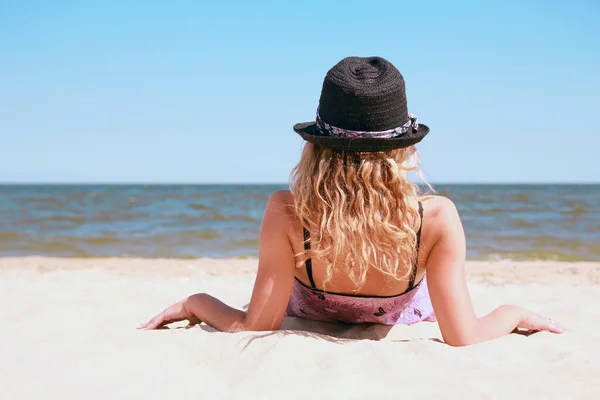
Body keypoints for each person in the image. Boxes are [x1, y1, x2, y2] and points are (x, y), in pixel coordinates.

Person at [139, 56, 566, 346]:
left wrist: (196, 301)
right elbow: (463, 337)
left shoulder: (287, 210)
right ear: (403, 147)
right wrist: (511, 313)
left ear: (316, 145)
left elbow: (258, 325)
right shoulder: (435, 218)